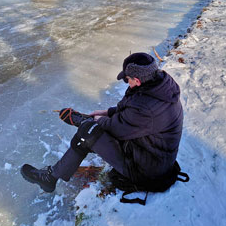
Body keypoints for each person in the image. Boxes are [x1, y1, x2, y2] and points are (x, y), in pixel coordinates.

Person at [20, 52, 184, 194]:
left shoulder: (146, 107)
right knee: (88, 132)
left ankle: (50, 177)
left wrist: (89, 120)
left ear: (138, 80)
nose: (127, 83)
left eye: (128, 80)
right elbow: (131, 109)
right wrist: (108, 112)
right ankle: (51, 176)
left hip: (145, 170)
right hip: (150, 154)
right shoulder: (158, 86)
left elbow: (117, 129)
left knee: (88, 131)